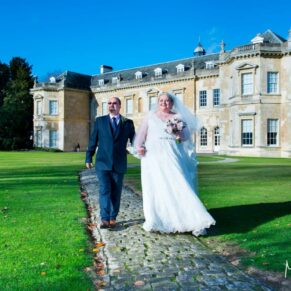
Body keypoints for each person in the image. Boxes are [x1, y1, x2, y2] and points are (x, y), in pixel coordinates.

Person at [134, 92, 215, 236]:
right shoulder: (150, 117)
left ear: (172, 103)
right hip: (153, 156)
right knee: (157, 187)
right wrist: (139, 147)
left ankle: (192, 219)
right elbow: (140, 136)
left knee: (180, 183)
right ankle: (159, 219)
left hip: (172, 153)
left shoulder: (177, 117)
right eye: (161, 100)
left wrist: (178, 135)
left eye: (167, 101)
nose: (164, 103)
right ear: (157, 102)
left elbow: (184, 138)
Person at [86, 97, 135, 229]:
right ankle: (105, 219)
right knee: (104, 190)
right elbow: (93, 140)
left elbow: (135, 141)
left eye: (114, 103)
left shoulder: (128, 123)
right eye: (109, 103)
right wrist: (88, 157)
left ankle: (113, 216)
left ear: (120, 106)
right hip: (102, 162)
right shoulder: (100, 121)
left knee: (116, 191)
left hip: (119, 163)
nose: (111, 105)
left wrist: (141, 149)